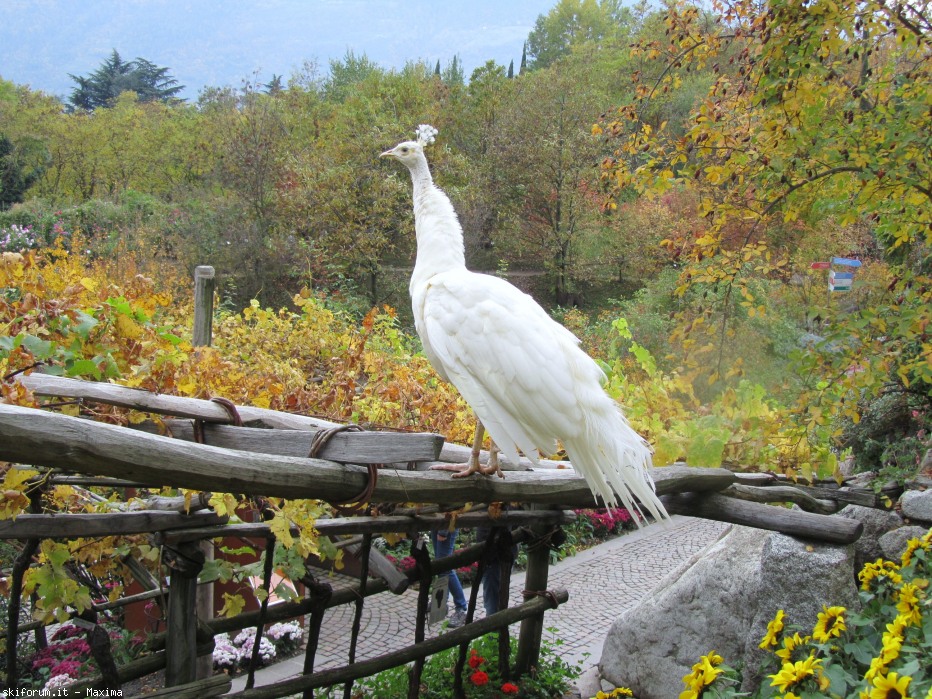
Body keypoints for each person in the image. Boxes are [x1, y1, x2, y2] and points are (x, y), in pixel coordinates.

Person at [431, 528, 468, 628]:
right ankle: (440, 603)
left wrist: (443, 531)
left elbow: (451, 512)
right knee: (441, 566)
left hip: (447, 524)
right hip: (437, 524)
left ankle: (461, 608)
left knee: (444, 567)